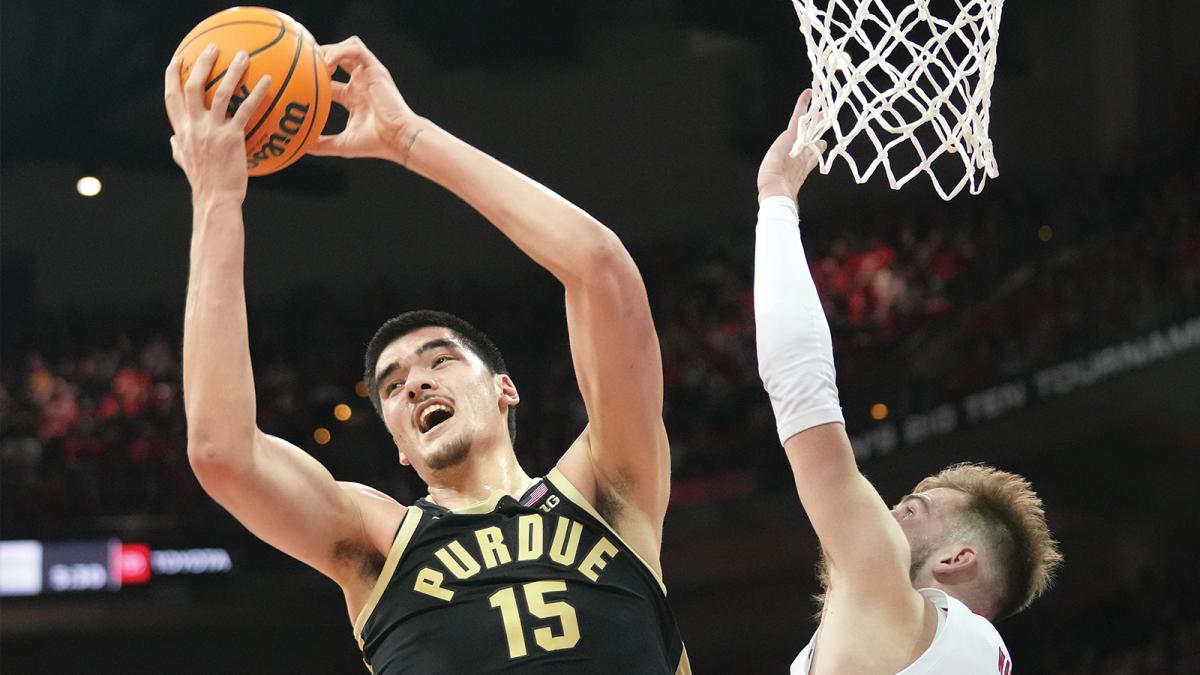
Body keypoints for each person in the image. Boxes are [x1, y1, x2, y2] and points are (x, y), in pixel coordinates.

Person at [165, 37, 689, 674]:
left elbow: (600, 269)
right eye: (391, 386)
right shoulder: (377, 541)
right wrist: (216, 199)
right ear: (398, 446)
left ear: (505, 388)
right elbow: (221, 452)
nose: (413, 383)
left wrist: (410, 139)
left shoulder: (608, 489)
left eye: (440, 360)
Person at [753, 90, 1063, 674]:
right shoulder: (960, 652)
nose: (886, 513)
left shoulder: (899, 612)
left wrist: (777, 197)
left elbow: (799, 381)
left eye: (912, 510)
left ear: (956, 558)